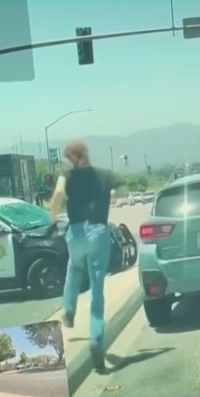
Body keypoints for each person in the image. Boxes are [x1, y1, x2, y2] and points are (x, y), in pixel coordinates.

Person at [48, 140, 114, 373]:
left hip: (75, 232)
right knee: (97, 289)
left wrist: (52, 217)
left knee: (74, 268)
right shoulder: (105, 175)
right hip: (98, 231)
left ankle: (68, 309)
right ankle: (96, 339)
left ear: (69, 158)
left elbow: (57, 194)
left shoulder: (67, 176)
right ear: (86, 153)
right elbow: (115, 195)